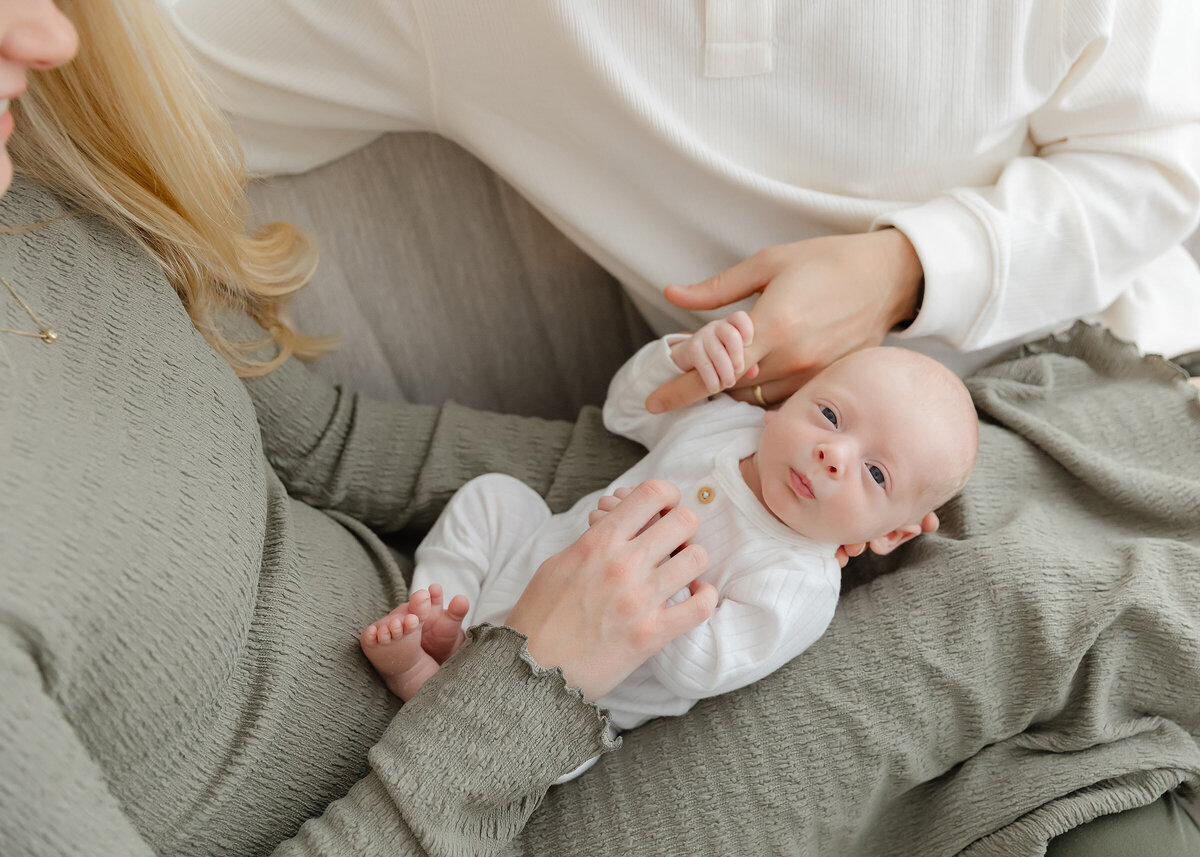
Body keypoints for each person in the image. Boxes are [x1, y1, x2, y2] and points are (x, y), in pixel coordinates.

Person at [0, 2, 720, 854]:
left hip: (503, 638)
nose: (52, 38)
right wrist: (533, 681)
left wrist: (712, 466)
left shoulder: (33, 203)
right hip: (495, 778)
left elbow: (329, 444)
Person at [361, 313, 978, 743]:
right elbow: (627, 410)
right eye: (830, 414)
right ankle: (442, 618)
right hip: (526, 562)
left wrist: (659, 567)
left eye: (875, 472)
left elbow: (703, 669)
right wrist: (683, 358)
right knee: (493, 498)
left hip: (573, 690)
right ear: (786, 401)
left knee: (562, 745)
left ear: (891, 534)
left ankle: (422, 677)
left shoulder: (797, 583)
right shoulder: (728, 426)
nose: (833, 454)